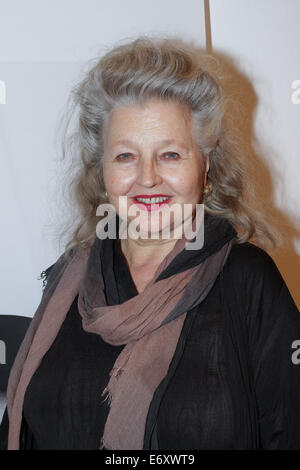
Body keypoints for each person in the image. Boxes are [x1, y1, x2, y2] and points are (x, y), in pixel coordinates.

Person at [1, 36, 300, 450]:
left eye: (171, 155)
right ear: (102, 169)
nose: (147, 177)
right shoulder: (67, 281)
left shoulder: (248, 281)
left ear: (206, 164)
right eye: (125, 156)